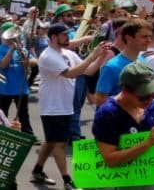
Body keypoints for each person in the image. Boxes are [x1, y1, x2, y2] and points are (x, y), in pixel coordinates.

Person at [34, 24, 107, 189]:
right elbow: (71, 73)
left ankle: (37, 170)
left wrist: (101, 56)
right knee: (59, 143)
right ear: (53, 37)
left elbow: (88, 71)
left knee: (52, 140)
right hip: (52, 106)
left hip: (65, 105)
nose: (68, 38)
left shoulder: (68, 53)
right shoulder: (47, 56)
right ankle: (67, 180)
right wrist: (93, 54)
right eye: (64, 35)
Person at [92, 62, 154, 178]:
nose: (149, 100)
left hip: (152, 179)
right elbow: (110, 160)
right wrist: (147, 143)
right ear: (125, 90)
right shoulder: (108, 113)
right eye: (144, 96)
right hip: (120, 182)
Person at [95, 19, 152, 106]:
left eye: (149, 36)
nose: (149, 40)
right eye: (144, 36)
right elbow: (99, 100)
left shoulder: (142, 60)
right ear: (128, 38)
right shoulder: (111, 67)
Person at [0, 22, 33, 135]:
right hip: (6, 87)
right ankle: (1, 134)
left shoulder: (22, 48)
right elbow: (2, 65)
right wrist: (11, 50)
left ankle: (28, 134)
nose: (14, 37)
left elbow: (33, 63)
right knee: (3, 113)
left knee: (23, 113)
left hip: (21, 87)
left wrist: (23, 55)